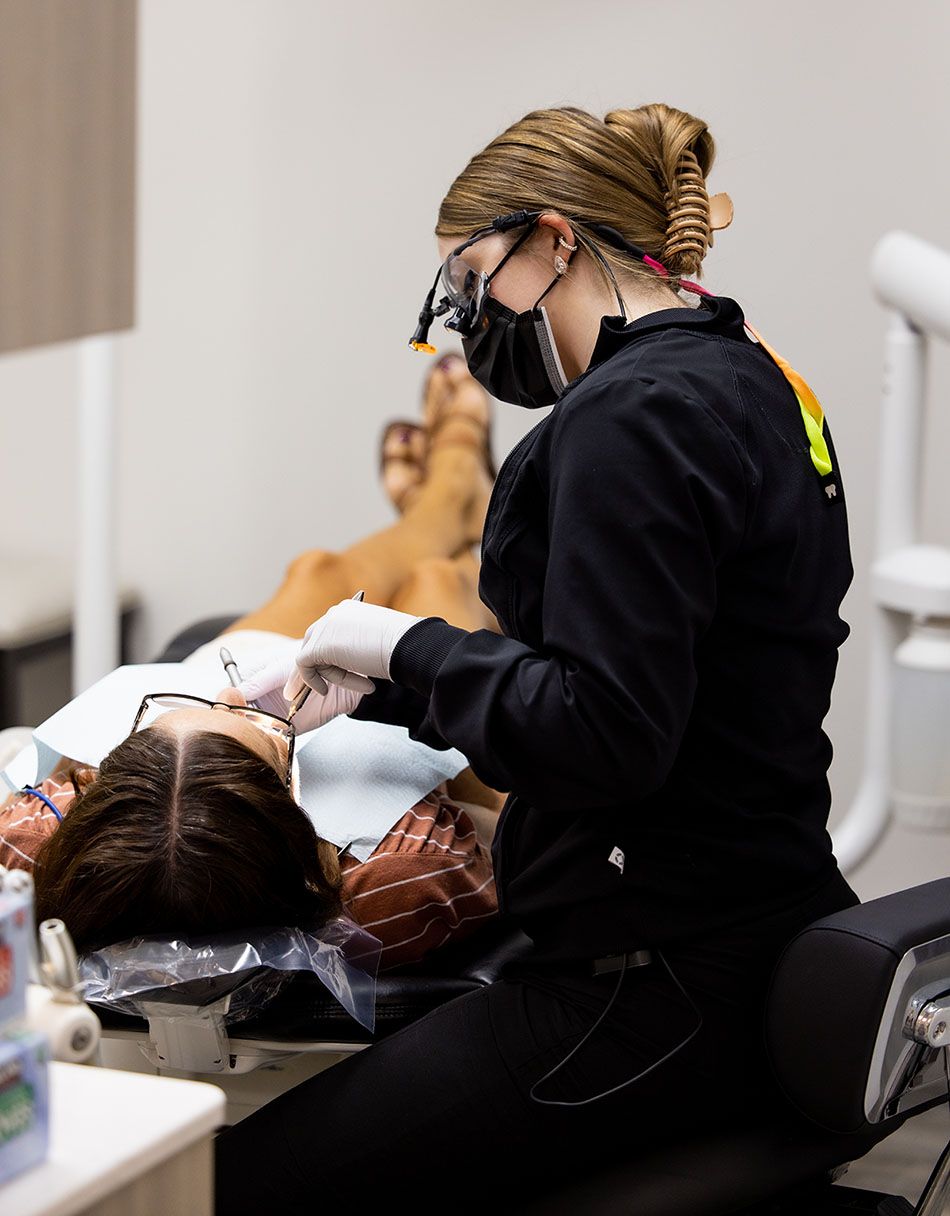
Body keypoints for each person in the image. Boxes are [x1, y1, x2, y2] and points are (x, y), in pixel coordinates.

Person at [213, 102, 861, 1213]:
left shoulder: (632, 416)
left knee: (225, 1184)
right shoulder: (752, 372)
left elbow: (605, 733)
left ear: (554, 239)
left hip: (650, 982)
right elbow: (661, 679)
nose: (465, 317)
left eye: (472, 279)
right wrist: (395, 687)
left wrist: (409, 642)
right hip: (755, 930)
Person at [1, 359, 507, 969]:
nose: (235, 696)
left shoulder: (28, 856)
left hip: (206, 728)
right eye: (271, 737)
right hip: (403, 744)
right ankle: (460, 492)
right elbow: (508, 826)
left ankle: (441, 506)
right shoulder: (402, 876)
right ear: (294, 821)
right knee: (440, 580)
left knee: (316, 571)